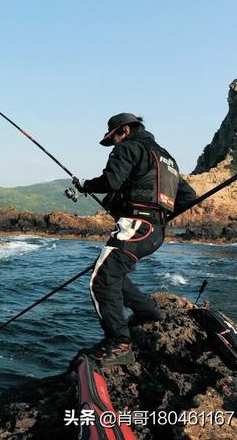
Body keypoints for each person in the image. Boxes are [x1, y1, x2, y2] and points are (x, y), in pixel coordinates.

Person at [73, 113, 196, 367]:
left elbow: (111, 180)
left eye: (114, 137)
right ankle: (149, 313)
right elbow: (188, 197)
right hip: (155, 232)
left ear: (125, 131)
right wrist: (158, 212)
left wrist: (85, 185)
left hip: (137, 226)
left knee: (102, 280)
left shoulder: (130, 147)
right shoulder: (167, 159)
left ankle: (119, 344)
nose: (115, 144)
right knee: (114, 274)